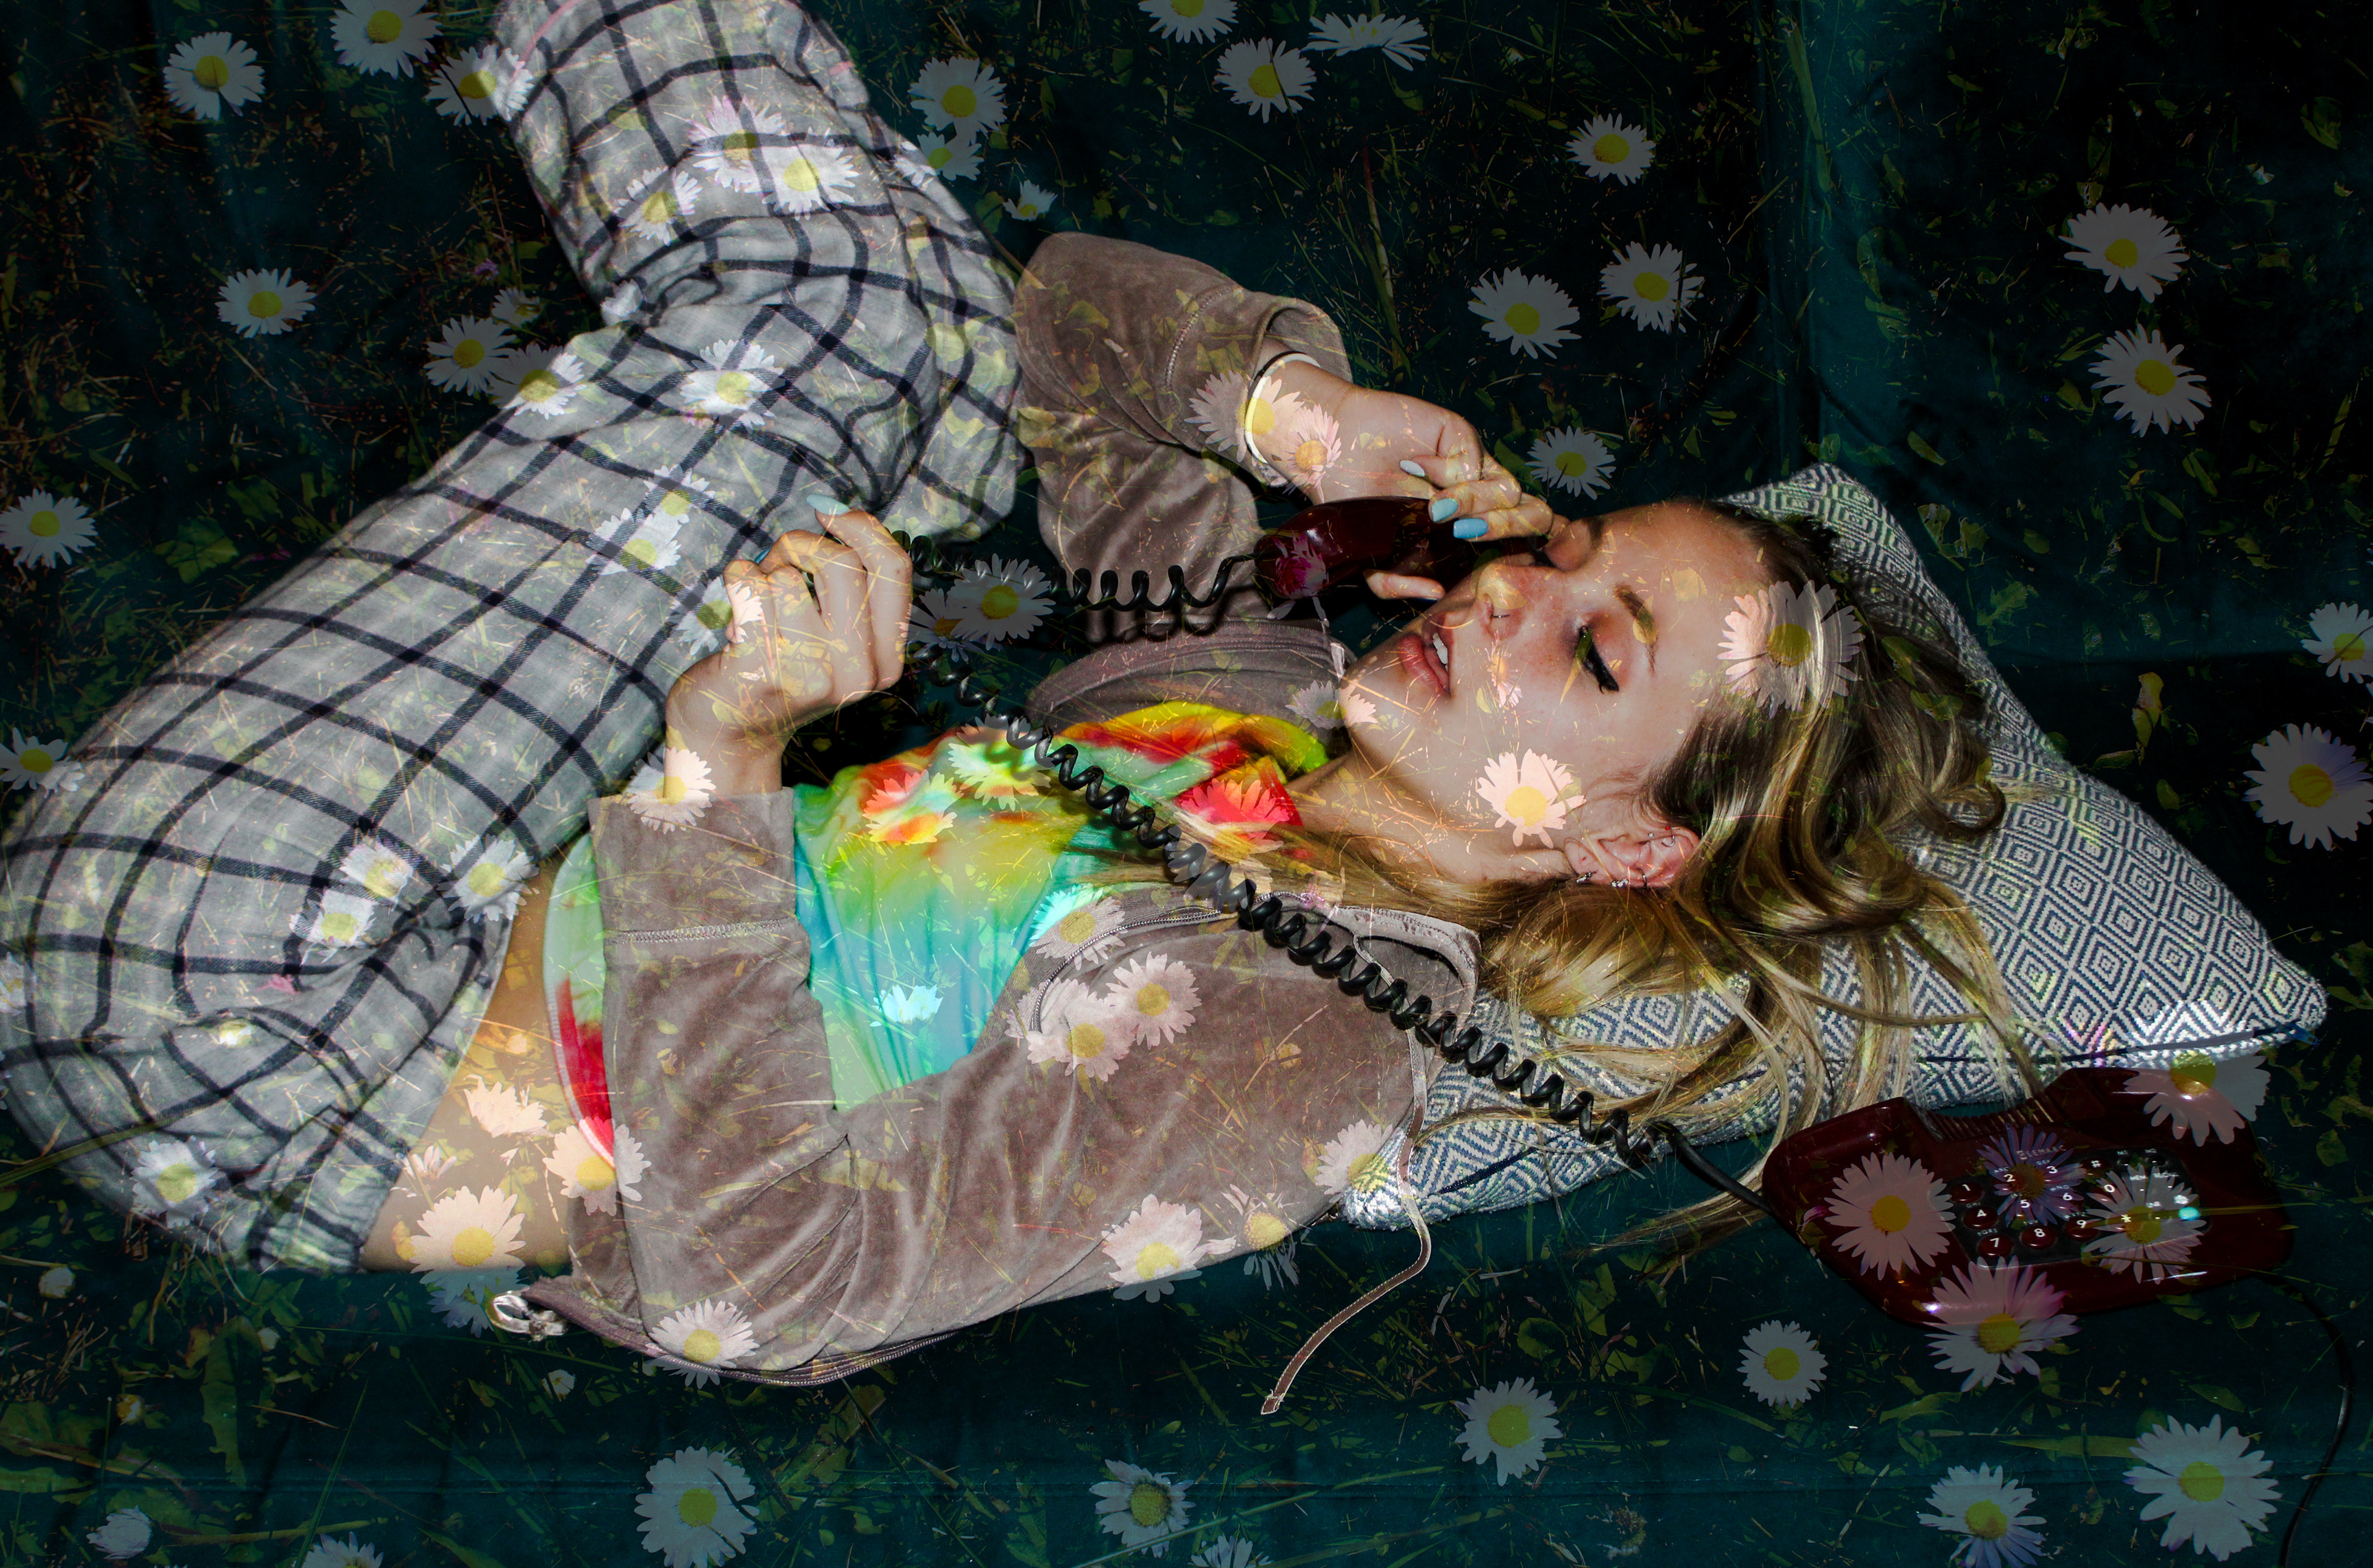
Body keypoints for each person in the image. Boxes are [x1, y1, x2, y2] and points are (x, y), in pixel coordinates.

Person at [0, 0, 2018, 1389]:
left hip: (262, 1032)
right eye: (1561, 553)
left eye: (1589, 652)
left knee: (862, 309)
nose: (1503, 601)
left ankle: (847, 343)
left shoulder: (1309, 1037)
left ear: (1631, 842)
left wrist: (728, 768)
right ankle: (857, 336)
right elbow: (1061, 331)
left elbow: (765, 1288)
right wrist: (1293, 415)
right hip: (432, 880)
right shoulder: (1251, 682)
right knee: (920, 316)